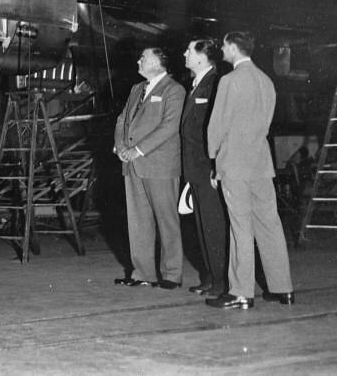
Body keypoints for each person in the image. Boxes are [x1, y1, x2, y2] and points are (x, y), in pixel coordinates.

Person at [206, 31, 295, 310]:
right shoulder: (266, 81)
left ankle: (241, 292)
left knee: (241, 227)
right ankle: (284, 289)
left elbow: (217, 125)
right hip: (260, 164)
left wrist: (214, 159)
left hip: (235, 164)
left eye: (223, 45)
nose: (221, 49)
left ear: (233, 47)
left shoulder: (229, 80)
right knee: (270, 224)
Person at [113, 47, 185, 289]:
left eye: (143, 57)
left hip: (160, 166)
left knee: (167, 220)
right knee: (138, 221)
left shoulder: (174, 90)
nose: (138, 60)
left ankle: (172, 274)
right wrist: (121, 145)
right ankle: (143, 274)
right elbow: (123, 119)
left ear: (156, 62)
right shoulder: (136, 89)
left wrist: (138, 150)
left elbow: (169, 126)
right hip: (132, 164)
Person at [180, 38, 228, 297]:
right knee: (201, 225)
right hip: (194, 169)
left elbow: (216, 128)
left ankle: (222, 280)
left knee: (214, 225)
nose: (184, 53)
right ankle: (210, 276)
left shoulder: (215, 83)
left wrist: (215, 165)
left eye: (189, 50)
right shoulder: (196, 84)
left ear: (201, 57)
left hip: (207, 168)